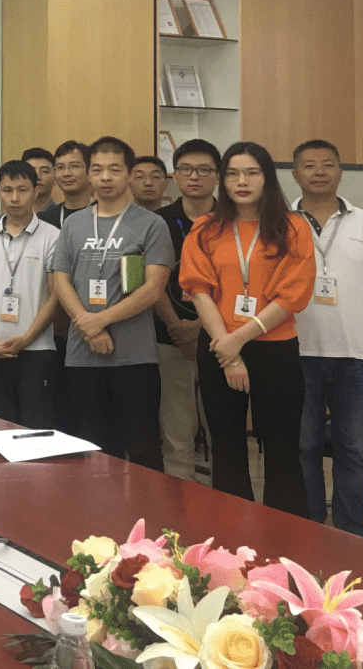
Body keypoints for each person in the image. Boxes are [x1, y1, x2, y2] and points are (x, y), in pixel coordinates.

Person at [179, 141, 315, 515]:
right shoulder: (206, 227)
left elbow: (292, 294)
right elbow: (198, 289)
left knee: (282, 449)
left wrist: (237, 340)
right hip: (218, 345)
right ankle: (232, 536)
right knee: (226, 448)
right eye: (233, 174)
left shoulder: (293, 226)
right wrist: (229, 351)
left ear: (267, 178)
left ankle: (286, 537)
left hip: (274, 347)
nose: (242, 181)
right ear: (223, 180)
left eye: (252, 173)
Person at [51, 136, 174, 470]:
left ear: (129, 174)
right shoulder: (73, 224)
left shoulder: (151, 224)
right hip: (82, 356)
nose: (105, 177)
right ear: (89, 174)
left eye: (114, 170)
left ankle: (146, 507)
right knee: (94, 452)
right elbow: (60, 279)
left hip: (134, 356)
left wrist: (100, 320)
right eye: (97, 169)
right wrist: (88, 324)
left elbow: (153, 288)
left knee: (143, 450)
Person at [291, 138, 363, 535]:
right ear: (295, 174)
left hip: (357, 356)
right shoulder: (281, 223)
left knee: (354, 449)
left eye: (328, 164)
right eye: (309, 165)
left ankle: (352, 534)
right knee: (304, 446)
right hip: (297, 351)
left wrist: (356, 317)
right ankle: (310, 527)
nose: (319, 171)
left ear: (340, 171)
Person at [0, 161, 61, 428]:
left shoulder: (53, 236)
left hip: (36, 349)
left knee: (36, 426)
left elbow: (55, 295)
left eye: (22, 190)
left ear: (35, 191)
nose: (15, 198)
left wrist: (27, 338)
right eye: (8, 190)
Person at [152, 138, 221, 482]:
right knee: (176, 432)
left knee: (222, 429)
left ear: (218, 175)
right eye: (186, 169)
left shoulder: (233, 220)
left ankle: (225, 502)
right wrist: (177, 327)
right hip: (168, 338)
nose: (194, 176)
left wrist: (198, 328)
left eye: (204, 169)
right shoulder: (154, 222)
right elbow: (142, 281)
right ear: (175, 175)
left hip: (222, 340)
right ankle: (178, 503)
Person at [38, 141, 91, 229]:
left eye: (74, 166)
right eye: (60, 167)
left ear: (90, 171)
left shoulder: (104, 214)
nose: (66, 173)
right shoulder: (44, 219)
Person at [22, 147, 56, 214]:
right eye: (31, 171)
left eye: (45, 171)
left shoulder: (65, 218)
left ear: (55, 178)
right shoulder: (7, 218)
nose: (37, 176)